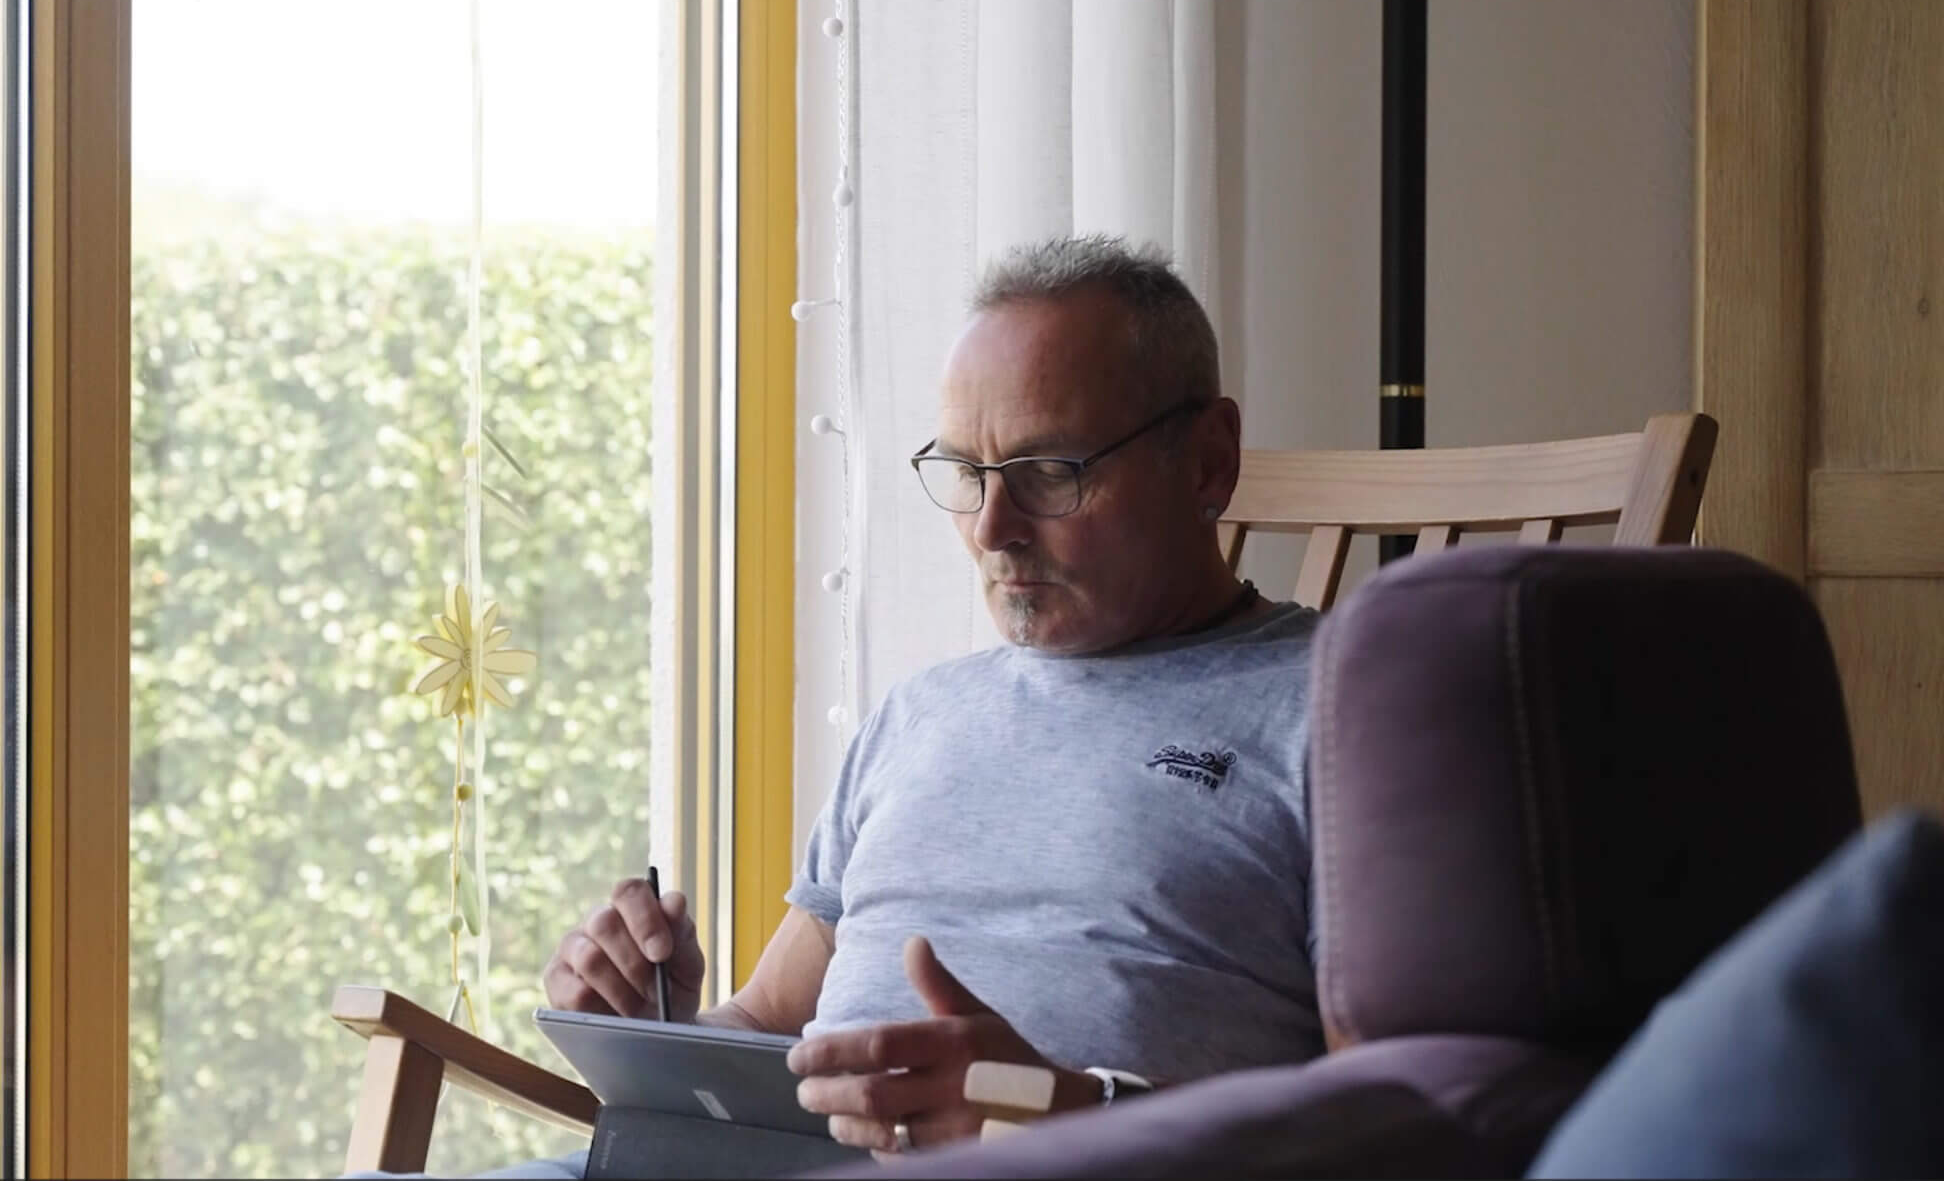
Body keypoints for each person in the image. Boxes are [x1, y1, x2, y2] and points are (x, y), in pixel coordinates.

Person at [404, 234, 1325, 1178]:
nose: (991, 530)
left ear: (1209, 462)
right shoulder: (924, 714)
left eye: (1051, 472)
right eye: (967, 473)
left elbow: (1426, 1120)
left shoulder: (1341, 712)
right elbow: (770, 1020)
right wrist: (662, 1031)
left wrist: (1068, 1115)